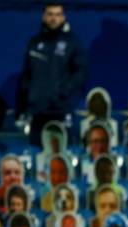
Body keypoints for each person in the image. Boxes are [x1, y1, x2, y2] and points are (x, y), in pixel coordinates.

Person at [15, 2, 88, 146]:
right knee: (37, 156)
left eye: (57, 14)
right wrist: (21, 109)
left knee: (61, 160)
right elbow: (25, 78)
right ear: (44, 17)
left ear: (63, 17)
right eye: (50, 14)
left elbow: (82, 72)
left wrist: (64, 91)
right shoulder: (34, 43)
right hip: (37, 112)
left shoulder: (72, 42)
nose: (53, 18)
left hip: (60, 111)